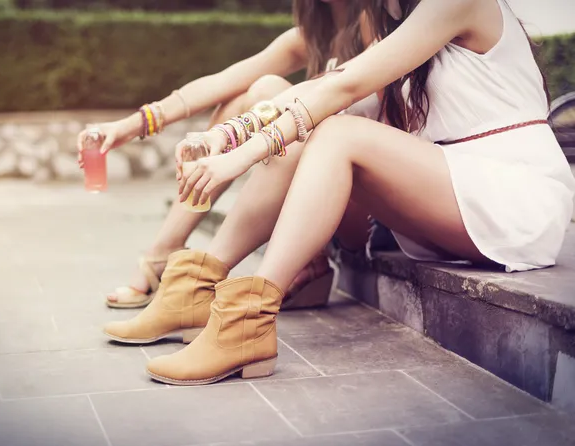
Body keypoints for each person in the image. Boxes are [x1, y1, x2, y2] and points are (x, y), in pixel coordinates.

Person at [118, 0, 574, 385]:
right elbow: (320, 91)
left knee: (339, 133)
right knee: (322, 125)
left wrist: (236, 160)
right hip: (457, 193)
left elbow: (345, 86)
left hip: (514, 196)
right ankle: (201, 285)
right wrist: (228, 137)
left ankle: (247, 320)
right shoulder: (399, 27)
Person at [78, 0, 378, 310]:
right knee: (236, 100)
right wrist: (130, 125)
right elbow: (223, 81)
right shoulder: (312, 36)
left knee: (267, 89)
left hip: (365, 205)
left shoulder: (374, 24)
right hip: (320, 198)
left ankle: (193, 269)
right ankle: (163, 250)